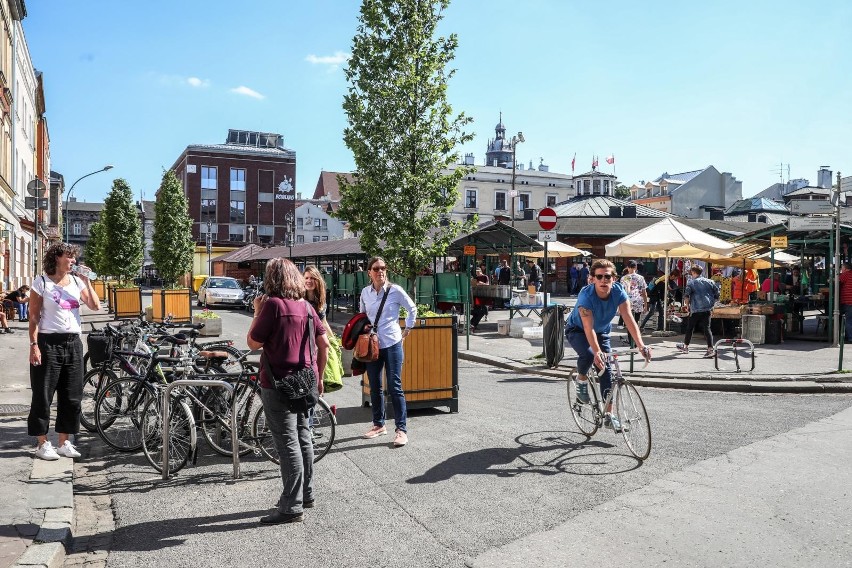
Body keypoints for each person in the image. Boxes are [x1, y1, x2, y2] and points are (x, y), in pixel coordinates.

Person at [247, 258, 329, 525]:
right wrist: (319, 376)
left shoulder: (272, 305)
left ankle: (291, 506)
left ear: (272, 279)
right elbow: (324, 342)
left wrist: (257, 312)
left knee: (287, 442)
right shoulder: (306, 306)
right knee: (303, 436)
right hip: (305, 382)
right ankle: (306, 494)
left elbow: (252, 343)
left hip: (278, 383)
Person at [28, 243, 100, 461]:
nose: (73, 261)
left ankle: (64, 442)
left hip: (73, 343)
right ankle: (42, 443)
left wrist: (87, 282)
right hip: (48, 342)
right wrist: (34, 345)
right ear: (57, 258)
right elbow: (33, 316)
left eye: (74, 258)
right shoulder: (42, 283)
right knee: (43, 394)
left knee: (72, 396)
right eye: (69, 257)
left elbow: (95, 306)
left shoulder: (77, 281)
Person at [565, 259, 651, 432]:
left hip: (602, 332)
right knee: (590, 355)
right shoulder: (586, 296)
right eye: (599, 276)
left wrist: (641, 345)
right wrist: (597, 352)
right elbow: (588, 329)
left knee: (607, 371)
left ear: (614, 278)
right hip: (578, 330)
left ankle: (609, 416)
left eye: (608, 276)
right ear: (593, 279)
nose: (604, 280)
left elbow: (629, 319)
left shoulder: (619, 292)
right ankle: (581, 380)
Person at [361, 256, 417, 447]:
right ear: (369, 272)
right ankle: (378, 425)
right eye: (376, 268)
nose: (380, 271)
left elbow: (412, 308)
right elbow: (362, 317)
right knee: (375, 386)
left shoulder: (395, 291)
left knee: (394, 385)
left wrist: (407, 328)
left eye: (383, 268)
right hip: (373, 346)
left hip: (393, 343)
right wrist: (365, 332)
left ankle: (401, 430)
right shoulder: (365, 293)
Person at [676, 265, 720, 358]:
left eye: (691, 272)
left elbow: (686, 296)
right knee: (707, 329)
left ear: (693, 272)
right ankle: (710, 349)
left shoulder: (691, 283)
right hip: (707, 308)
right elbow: (717, 293)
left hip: (696, 309)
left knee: (690, 328)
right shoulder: (710, 281)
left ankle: (686, 347)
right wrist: (712, 303)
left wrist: (687, 306)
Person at [839, 262, 852, 342]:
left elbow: (836, 281)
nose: (841, 269)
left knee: (848, 320)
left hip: (848, 301)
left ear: (845, 268)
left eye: (842, 268)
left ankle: (850, 338)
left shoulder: (845, 274)